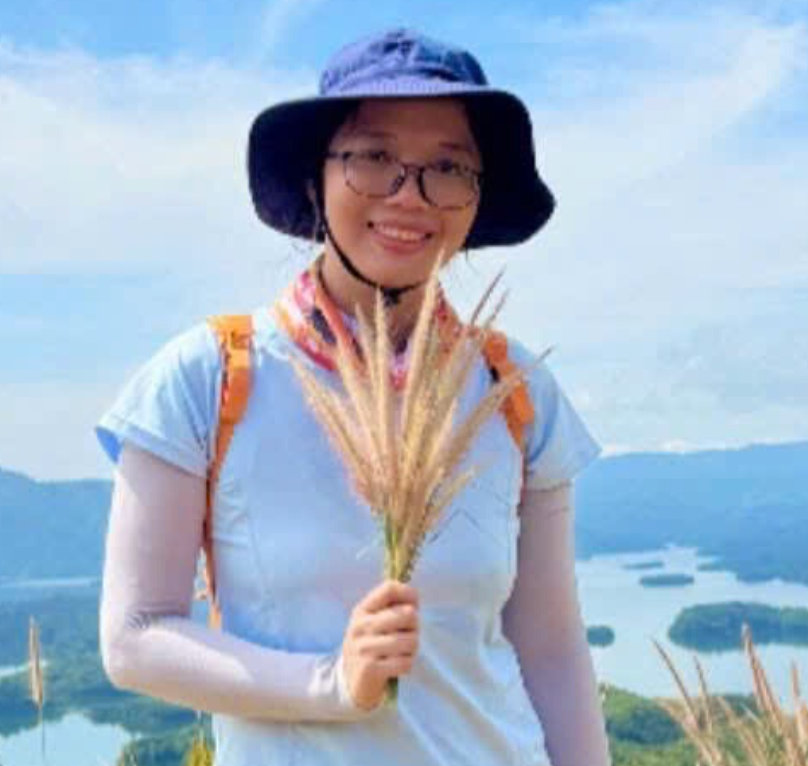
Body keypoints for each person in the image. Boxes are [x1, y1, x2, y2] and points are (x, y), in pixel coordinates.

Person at [95, 27, 611, 766]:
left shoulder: (513, 391)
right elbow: (134, 638)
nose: (409, 195)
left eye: (448, 167)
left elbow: (552, 649)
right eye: (372, 157)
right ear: (317, 177)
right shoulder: (211, 378)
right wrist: (332, 684)